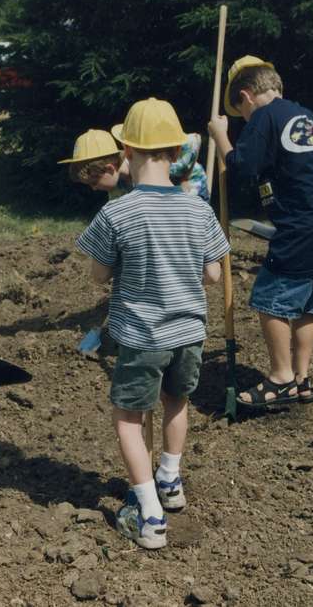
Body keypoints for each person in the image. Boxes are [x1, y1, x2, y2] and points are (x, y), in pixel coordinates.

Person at [76, 98, 229, 550]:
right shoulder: (198, 208)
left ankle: (149, 516)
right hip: (189, 331)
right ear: (175, 148)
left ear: (127, 150)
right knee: (176, 402)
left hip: (142, 335)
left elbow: (99, 275)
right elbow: (214, 274)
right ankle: (169, 481)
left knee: (127, 419)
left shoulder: (116, 213)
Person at [208, 56, 313, 408]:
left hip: (302, 229)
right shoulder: (305, 114)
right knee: (308, 305)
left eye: (241, 111)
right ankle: (301, 378)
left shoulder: (264, 117)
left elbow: (242, 167)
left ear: (247, 96)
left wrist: (220, 136)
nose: (244, 118)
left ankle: (280, 379)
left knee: (268, 298)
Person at [61, 128, 211, 200]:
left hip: (191, 185)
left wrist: (184, 177)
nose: (94, 189)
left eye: (94, 182)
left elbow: (194, 141)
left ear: (109, 168)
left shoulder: (144, 159)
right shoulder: (117, 191)